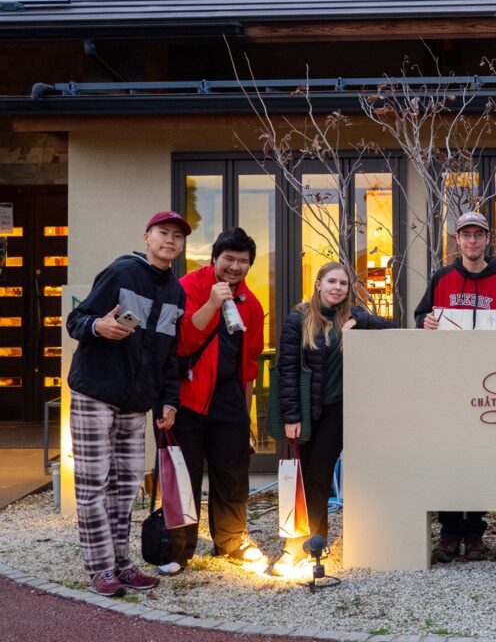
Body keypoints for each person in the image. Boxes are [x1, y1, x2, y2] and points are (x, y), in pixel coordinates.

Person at [65, 210, 189, 596]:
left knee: (126, 488)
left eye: (177, 236)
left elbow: (170, 357)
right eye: (163, 233)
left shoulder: (176, 292)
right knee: (92, 486)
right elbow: (76, 319)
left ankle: (122, 562)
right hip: (95, 391)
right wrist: (98, 327)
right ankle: (100, 568)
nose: (170, 240)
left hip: (137, 402)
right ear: (147, 236)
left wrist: (168, 401)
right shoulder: (121, 272)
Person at [415, 210, 496, 563]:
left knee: (480, 457)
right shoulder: (442, 277)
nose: (473, 241)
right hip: (447, 381)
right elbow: (421, 316)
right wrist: (427, 322)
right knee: (447, 455)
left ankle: (475, 532)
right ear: (457, 240)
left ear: (487, 239)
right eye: (466, 235)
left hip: (488, 385)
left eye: (479, 235)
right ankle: (448, 533)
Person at [272, 261, 393, 578]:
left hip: (336, 410)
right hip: (306, 410)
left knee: (320, 476)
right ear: (318, 284)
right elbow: (286, 370)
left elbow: (390, 327)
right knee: (299, 476)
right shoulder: (298, 319)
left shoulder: (352, 316)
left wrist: (358, 331)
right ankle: (297, 541)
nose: (338, 288)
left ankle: (314, 542)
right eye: (332, 282)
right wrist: (291, 415)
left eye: (343, 283)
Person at [160, 227, 266, 576]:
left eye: (243, 261)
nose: (235, 267)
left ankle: (231, 542)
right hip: (189, 396)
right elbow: (185, 340)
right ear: (214, 259)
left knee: (232, 473)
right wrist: (213, 302)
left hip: (229, 397)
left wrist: (246, 412)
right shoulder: (189, 286)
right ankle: (178, 549)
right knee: (184, 475)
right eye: (229, 259)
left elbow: (249, 363)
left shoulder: (252, 303)